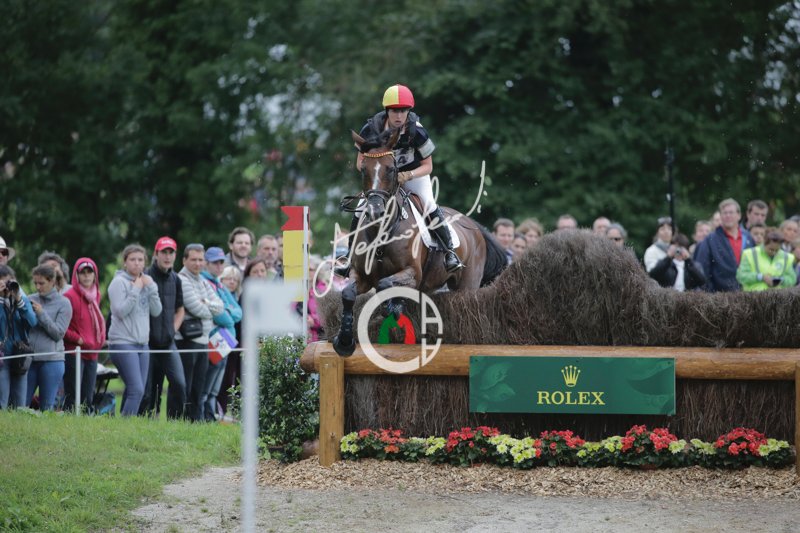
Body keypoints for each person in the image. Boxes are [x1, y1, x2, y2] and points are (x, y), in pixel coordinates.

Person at [337, 84, 463, 276]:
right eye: (395, 111)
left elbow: (428, 166)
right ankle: (350, 257)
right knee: (362, 207)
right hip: (383, 179)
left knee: (428, 204)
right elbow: (360, 163)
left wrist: (408, 175)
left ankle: (449, 253)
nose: (399, 116)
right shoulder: (370, 130)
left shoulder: (417, 132)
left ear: (408, 111)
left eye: (403, 111)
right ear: (387, 110)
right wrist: (378, 176)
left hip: (413, 175)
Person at [108, 244, 162, 416]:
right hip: (122, 342)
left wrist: (151, 288)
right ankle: (125, 426)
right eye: (132, 259)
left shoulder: (147, 282)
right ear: (125, 262)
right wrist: (136, 289)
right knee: (136, 389)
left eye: (140, 260)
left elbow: (157, 311)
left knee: (139, 390)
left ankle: (127, 424)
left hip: (143, 344)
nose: (137, 263)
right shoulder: (118, 283)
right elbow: (120, 311)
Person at [140, 236, 187, 419]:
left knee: (179, 383)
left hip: (168, 343)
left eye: (171, 253)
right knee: (147, 390)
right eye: (164, 252)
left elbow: (180, 309)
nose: (167, 256)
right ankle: (142, 422)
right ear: (156, 254)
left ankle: (174, 423)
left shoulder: (176, 279)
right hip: (147, 343)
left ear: (175, 255)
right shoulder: (144, 277)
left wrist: (172, 329)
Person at [177, 243, 223, 422]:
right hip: (187, 340)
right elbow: (196, 308)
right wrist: (208, 307)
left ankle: (195, 421)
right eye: (193, 259)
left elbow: (220, 307)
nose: (197, 263)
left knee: (199, 385)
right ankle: (181, 420)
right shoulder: (182, 280)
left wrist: (207, 303)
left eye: (200, 260)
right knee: (185, 385)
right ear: (184, 260)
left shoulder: (203, 281)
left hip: (204, 340)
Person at [199, 246, 241, 422]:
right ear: (206, 263)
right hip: (213, 338)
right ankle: (203, 416)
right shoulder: (205, 282)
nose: (218, 266)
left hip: (225, 340)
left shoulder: (219, 284)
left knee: (215, 385)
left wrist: (227, 314)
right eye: (214, 262)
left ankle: (210, 416)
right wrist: (228, 317)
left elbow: (238, 312)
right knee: (208, 383)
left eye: (221, 262)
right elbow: (220, 315)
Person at [63, 258, 106, 412]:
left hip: (92, 353)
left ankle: (86, 423)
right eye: (83, 273)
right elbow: (63, 328)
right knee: (73, 395)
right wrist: (78, 339)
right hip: (75, 352)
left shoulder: (96, 295)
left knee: (88, 396)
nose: (87, 276)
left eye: (90, 272)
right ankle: (69, 422)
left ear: (95, 275)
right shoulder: (69, 296)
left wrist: (99, 339)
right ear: (77, 275)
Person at [26, 264, 72, 411]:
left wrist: (41, 314)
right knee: (20, 405)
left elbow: (58, 334)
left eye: (41, 283)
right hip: (29, 360)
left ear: (52, 281)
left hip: (52, 361)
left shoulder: (64, 303)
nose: (38, 287)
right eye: (35, 283)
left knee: (47, 407)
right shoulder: (30, 299)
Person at [694, 198, 755, 292]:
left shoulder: (748, 238)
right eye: (725, 213)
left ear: (739, 215)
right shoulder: (710, 239)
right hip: (720, 295)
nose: (728, 215)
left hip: (747, 293)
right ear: (721, 216)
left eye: (731, 212)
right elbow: (703, 270)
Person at [0, 265, 36, 409]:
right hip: (2, 356)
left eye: (9, 282)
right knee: (2, 401)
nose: (7, 287)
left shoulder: (21, 299)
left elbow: (32, 322)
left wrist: (19, 301)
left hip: (20, 355)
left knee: (19, 403)